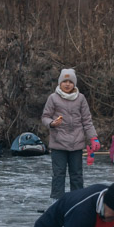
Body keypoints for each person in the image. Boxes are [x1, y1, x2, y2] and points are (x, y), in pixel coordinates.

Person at [40, 68, 100, 199]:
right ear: (60, 83)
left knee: (77, 175)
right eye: (64, 81)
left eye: (70, 82)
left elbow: (86, 120)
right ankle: (56, 201)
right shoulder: (53, 98)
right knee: (58, 174)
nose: (67, 84)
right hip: (58, 144)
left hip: (76, 143)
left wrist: (93, 138)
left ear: (74, 84)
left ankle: (77, 200)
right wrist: (52, 123)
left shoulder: (81, 98)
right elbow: (45, 117)